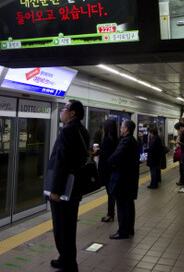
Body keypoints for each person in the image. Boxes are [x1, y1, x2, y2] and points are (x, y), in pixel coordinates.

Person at [46, 99, 89, 272]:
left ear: (72, 113)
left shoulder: (67, 131)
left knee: (62, 228)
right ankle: (64, 258)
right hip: (75, 187)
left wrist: (55, 191)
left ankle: (69, 265)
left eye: (65, 108)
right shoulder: (83, 131)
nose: (62, 111)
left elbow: (61, 162)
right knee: (69, 226)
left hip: (63, 189)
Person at [107, 119, 140, 239]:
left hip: (122, 180)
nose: (120, 129)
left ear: (126, 129)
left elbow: (115, 157)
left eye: (122, 127)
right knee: (130, 205)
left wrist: (110, 162)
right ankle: (130, 229)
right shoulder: (134, 141)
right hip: (130, 179)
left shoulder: (125, 142)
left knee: (121, 206)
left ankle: (123, 231)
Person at [97, 119, 119, 222]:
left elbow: (107, 153)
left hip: (106, 169)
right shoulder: (116, 138)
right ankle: (111, 213)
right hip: (111, 168)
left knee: (110, 192)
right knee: (111, 192)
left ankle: (110, 214)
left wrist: (98, 151)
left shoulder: (107, 139)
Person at [145, 123, 164, 189]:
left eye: (150, 132)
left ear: (152, 132)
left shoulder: (153, 139)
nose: (149, 134)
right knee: (155, 171)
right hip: (156, 158)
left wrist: (146, 150)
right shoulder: (158, 137)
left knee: (153, 172)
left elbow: (151, 149)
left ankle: (153, 184)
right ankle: (155, 183)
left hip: (153, 158)